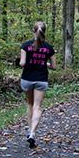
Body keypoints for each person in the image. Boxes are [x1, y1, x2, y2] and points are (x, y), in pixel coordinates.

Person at [19, 21, 56, 149]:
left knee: (30, 104)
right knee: (37, 107)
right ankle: (32, 133)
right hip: (41, 80)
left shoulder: (25, 46)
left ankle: (30, 131)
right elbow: (54, 66)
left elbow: (22, 63)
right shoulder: (49, 48)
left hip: (27, 79)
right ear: (44, 31)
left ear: (33, 31)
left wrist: (30, 60)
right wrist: (43, 63)